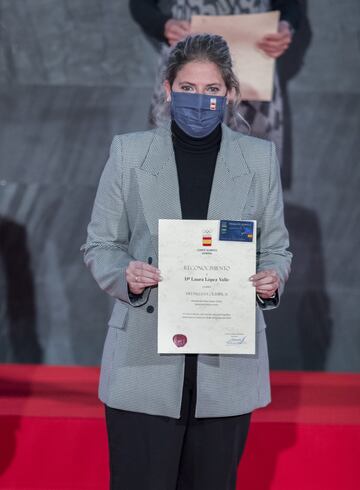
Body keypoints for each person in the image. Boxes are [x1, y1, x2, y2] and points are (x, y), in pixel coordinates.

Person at [81, 34, 292, 490]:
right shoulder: (129, 154)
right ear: (167, 88)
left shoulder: (259, 159)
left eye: (212, 91)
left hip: (227, 368)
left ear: (231, 93)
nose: (200, 101)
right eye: (188, 89)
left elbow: (276, 247)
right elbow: (100, 244)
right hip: (143, 363)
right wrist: (126, 276)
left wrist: (273, 277)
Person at [129, 0, 301, 163]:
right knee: (171, 164)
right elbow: (140, 3)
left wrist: (286, 25)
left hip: (254, 62)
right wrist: (164, 25)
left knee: (252, 167)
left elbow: (289, 3)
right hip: (187, 59)